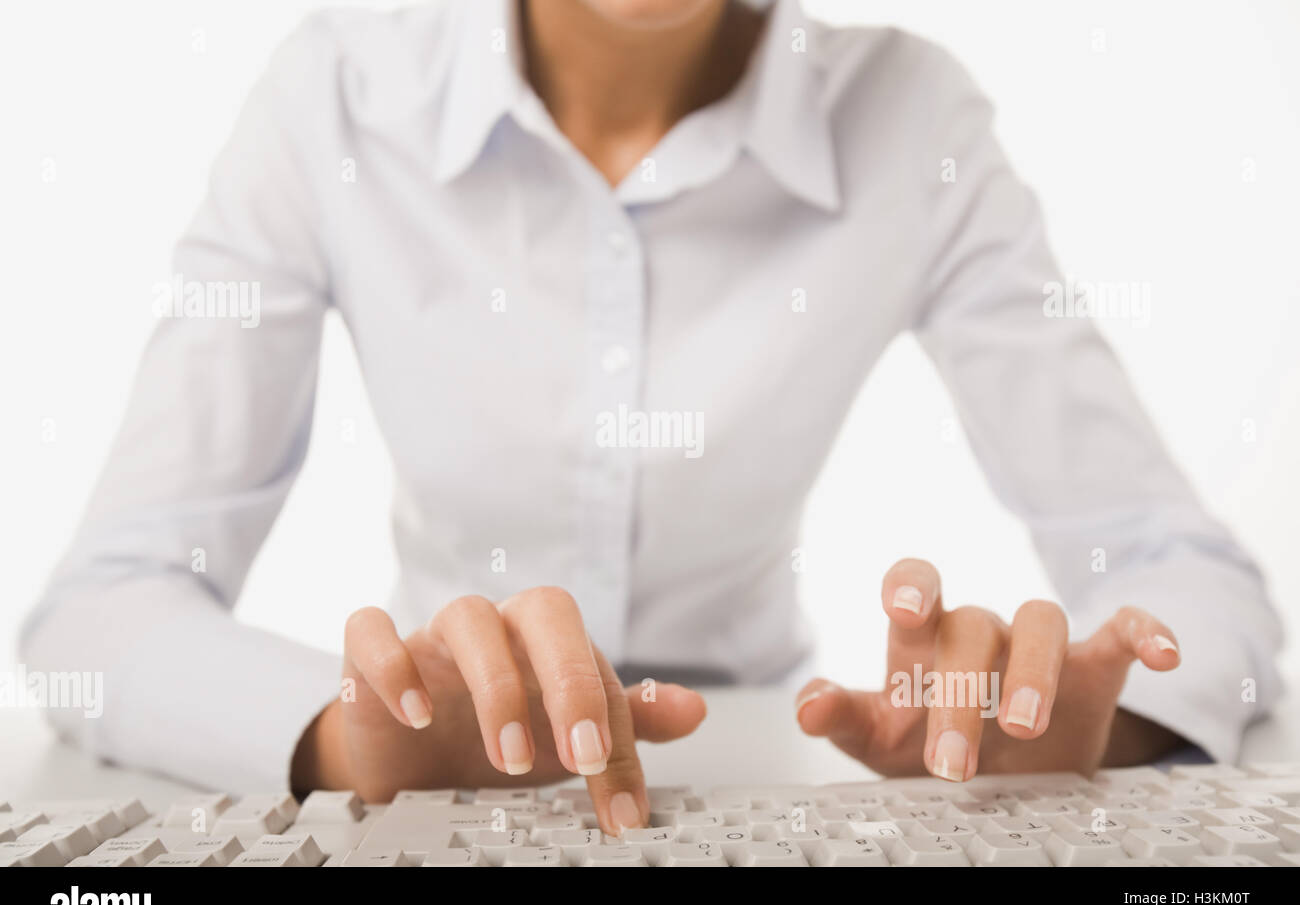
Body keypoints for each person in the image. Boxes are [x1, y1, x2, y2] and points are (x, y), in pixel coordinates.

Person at [22, 0, 1282, 837]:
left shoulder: (913, 119)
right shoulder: (331, 100)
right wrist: (341, 735)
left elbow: (1181, 571)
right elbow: (106, 599)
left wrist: (1100, 712)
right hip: (434, 802)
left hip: (764, 784)